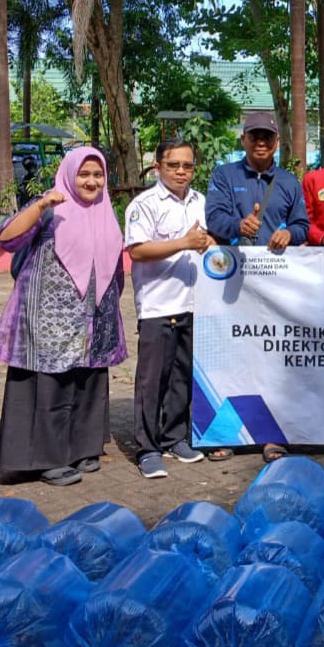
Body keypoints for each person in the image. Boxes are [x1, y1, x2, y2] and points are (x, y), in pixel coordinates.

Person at [0, 146, 128, 487]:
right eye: (84, 174)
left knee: (88, 382)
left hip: (94, 320)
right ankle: (45, 459)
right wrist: (39, 206)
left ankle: (82, 448)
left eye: (97, 175)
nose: (91, 181)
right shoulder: (51, 207)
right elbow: (6, 238)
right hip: (48, 320)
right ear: (69, 174)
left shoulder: (106, 211)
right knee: (50, 386)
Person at [126, 139, 216, 479]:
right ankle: (148, 448)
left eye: (187, 165)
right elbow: (137, 250)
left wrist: (209, 244)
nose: (181, 171)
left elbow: (205, 241)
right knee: (153, 380)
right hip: (157, 305)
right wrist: (185, 242)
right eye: (173, 165)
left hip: (192, 302)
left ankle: (175, 437)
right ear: (158, 167)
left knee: (182, 377)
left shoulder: (200, 202)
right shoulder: (144, 204)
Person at [205, 112, 309, 253]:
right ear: (243, 139)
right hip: (234, 266)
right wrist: (238, 226)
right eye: (254, 137)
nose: (261, 143)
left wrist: (288, 234)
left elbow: (302, 226)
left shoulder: (290, 182)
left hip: (277, 267)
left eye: (268, 137)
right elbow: (214, 218)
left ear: (277, 141)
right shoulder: (224, 175)